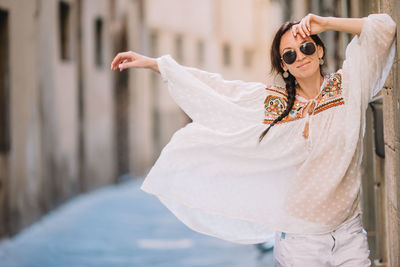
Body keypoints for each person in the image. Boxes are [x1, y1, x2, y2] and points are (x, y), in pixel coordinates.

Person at [111, 12, 396, 266]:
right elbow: (220, 89)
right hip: (299, 241)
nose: (301, 56)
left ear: (320, 51)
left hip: (348, 235)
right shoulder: (274, 102)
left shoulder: (348, 86)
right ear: (284, 66)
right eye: (289, 55)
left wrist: (326, 23)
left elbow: (383, 28)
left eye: (307, 46)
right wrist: (156, 64)